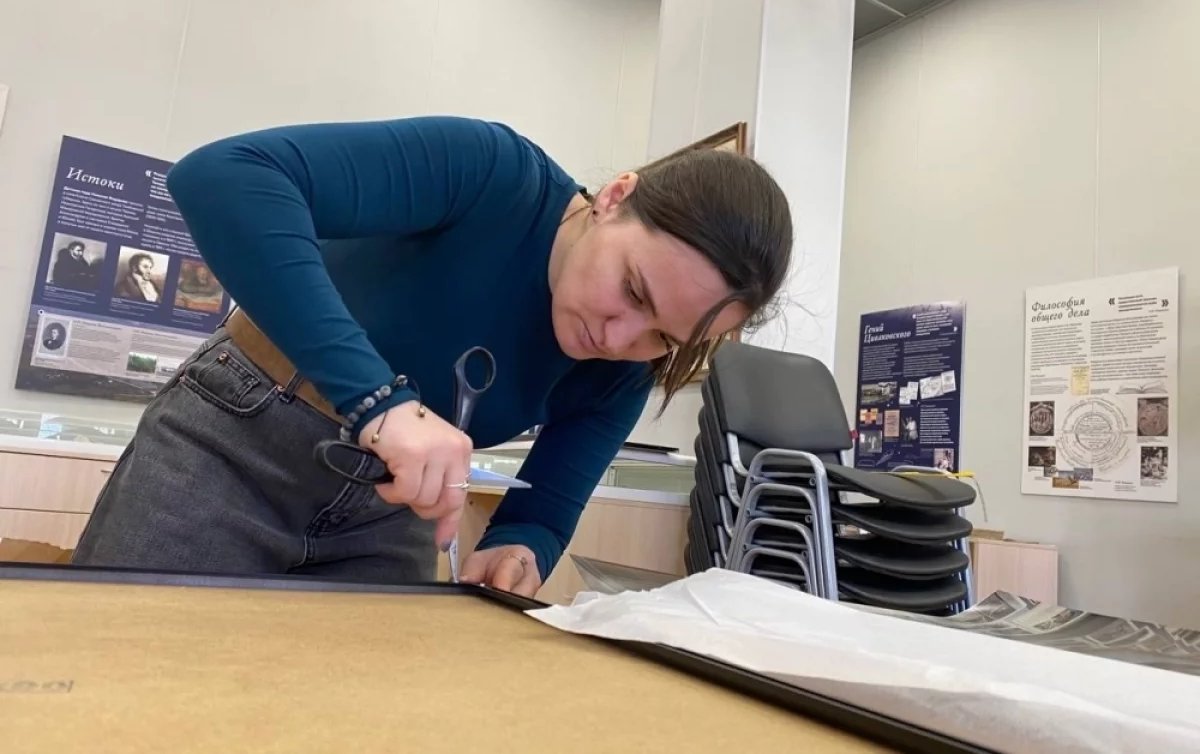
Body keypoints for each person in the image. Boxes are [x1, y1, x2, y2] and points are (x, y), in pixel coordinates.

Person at [72, 115, 792, 597]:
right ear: (615, 196)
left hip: (390, 519)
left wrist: (518, 554)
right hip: (236, 447)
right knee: (127, 685)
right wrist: (379, 403)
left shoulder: (624, 372)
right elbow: (223, 177)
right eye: (632, 289)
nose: (618, 337)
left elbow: (541, 512)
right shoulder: (493, 174)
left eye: (663, 337)